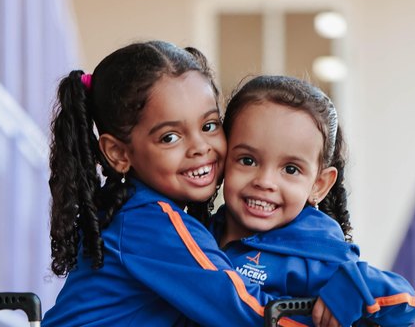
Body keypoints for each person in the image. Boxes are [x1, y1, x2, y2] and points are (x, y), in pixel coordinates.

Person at [41, 41, 337, 327]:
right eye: (169, 137)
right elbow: (237, 306)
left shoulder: (138, 211)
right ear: (119, 153)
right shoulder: (150, 222)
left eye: (209, 126)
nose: (200, 147)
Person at [210, 75, 415, 326]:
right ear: (222, 159)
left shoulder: (315, 255)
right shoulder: (197, 232)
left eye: (290, 169)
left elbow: (407, 303)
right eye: (248, 160)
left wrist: (356, 283)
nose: (265, 181)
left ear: (319, 185)